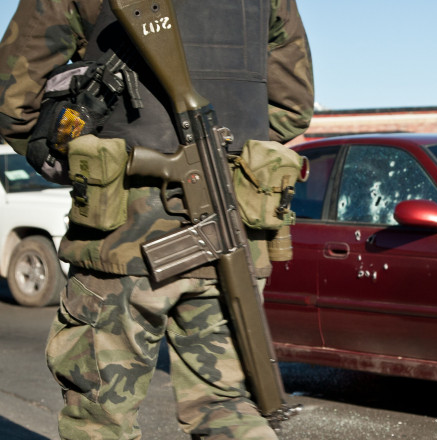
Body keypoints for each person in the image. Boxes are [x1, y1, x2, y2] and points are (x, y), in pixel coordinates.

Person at [0, 1, 314, 439]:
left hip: (122, 236)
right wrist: (217, 158)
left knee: (99, 420)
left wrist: (98, 163)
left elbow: (13, 102)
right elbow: (292, 107)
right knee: (227, 408)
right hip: (233, 231)